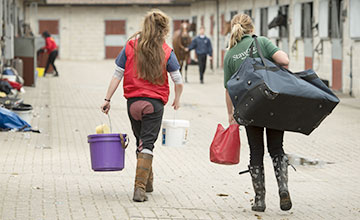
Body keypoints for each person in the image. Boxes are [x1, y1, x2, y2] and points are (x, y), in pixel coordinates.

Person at [101, 10, 183, 203]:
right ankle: (139, 189)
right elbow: (178, 80)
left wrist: (107, 99)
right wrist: (177, 98)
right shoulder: (166, 50)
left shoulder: (130, 46)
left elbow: (117, 74)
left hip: (133, 103)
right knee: (147, 144)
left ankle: (148, 182)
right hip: (153, 104)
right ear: (164, 30)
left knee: (141, 141)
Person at [223, 14, 291, 212]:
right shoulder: (261, 41)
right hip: (272, 104)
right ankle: (283, 188)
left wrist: (230, 115)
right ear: (251, 28)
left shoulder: (230, 54)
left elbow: (228, 89)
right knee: (276, 149)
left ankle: (259, 200)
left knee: (256, 151)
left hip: (249, 108)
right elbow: (284, 60)